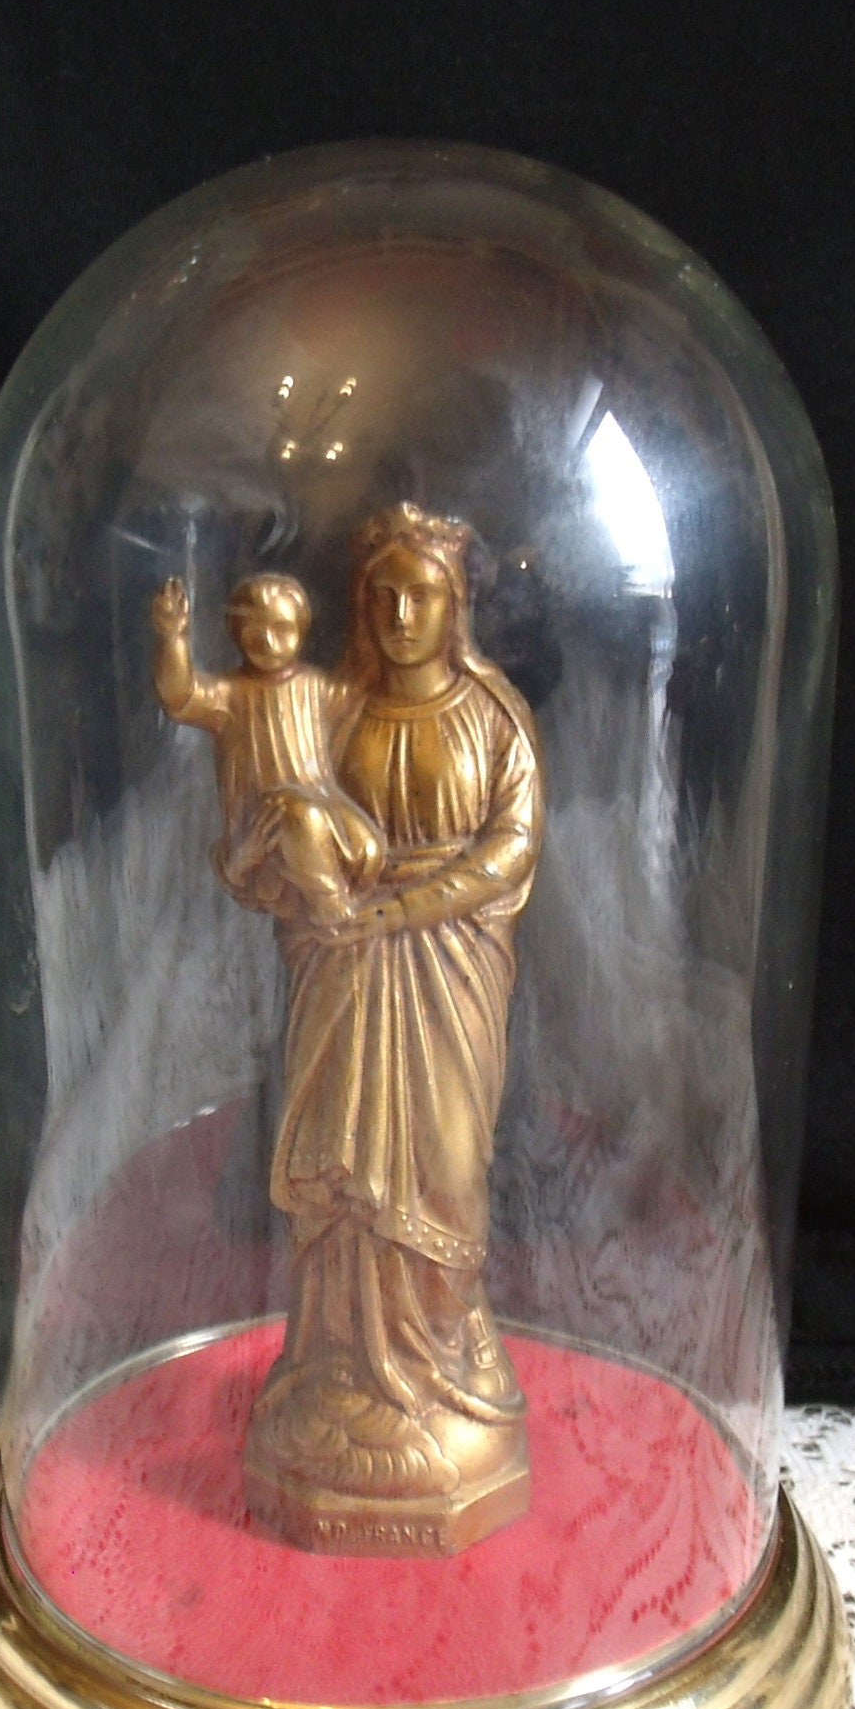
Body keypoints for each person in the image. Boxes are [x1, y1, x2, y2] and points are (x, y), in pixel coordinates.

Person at [237, 504, 544, 1552]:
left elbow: (510, 850)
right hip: (344, 975)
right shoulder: (334, 710)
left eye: (423, 593)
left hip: (451, 970)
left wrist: (404, 907)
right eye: (385, 595)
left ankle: (443, 1365)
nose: (403, 611)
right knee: (345, 1174)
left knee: (444, 1165)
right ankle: (342, 1371)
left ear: (456, 605)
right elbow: (278, 804)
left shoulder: (494, 718)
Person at [150, 572, 382, 925]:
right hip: (265, 824)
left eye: (282, 629)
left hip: (322, 803)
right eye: (256, 630)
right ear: (236, 633)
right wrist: (172, 638)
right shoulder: (229, 694)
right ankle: (329, 901)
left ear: (302, 631)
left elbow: (359, 687)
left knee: (369, 849)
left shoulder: (314, 686)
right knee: (301, 820)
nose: (270, 642)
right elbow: (178, 696)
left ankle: (332, 886)